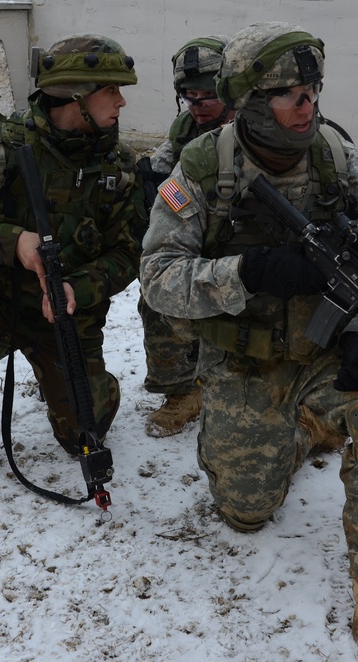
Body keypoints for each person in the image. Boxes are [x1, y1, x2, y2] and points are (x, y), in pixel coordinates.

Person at [139, 22, 358, 660]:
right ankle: (299, 434)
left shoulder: (342, 162)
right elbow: (158, 281)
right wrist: (247, 272)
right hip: (244, 361)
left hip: (331, 356)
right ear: (246, 101)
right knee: (244, 512)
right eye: (288, 94)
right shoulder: (200, 167)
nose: (308, 104)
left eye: (313, 88)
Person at [0, 34, 146, 491]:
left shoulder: (119, 167)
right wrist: (15, 242)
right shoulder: (1, 146)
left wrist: (76, 289)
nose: (122, 102)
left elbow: (129, 253)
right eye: (112, 90)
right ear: (76, 96)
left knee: (83, 432)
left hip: (65, 313)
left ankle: (97, 386)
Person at [136, 36, 235, 438]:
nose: (199, 105)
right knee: (157, 295)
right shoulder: (185, 133)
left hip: (256, 250)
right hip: (200, 243)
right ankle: (180, 389)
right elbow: (163, 174)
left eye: (208, 94)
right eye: (189, 97)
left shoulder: (262, 131)